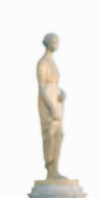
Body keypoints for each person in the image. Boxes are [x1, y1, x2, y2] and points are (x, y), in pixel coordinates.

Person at [37, 33, 67, 181]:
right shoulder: (42, 63)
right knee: (49, 135)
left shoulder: (53, 63)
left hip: (56, 99)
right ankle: (51, 169)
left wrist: (61, 93)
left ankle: (55, 168)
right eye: (54, 41)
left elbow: (55, 85)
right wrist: (51, 107)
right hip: (47, 101)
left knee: (59, 134)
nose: (56, 44)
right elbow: (42, 87)